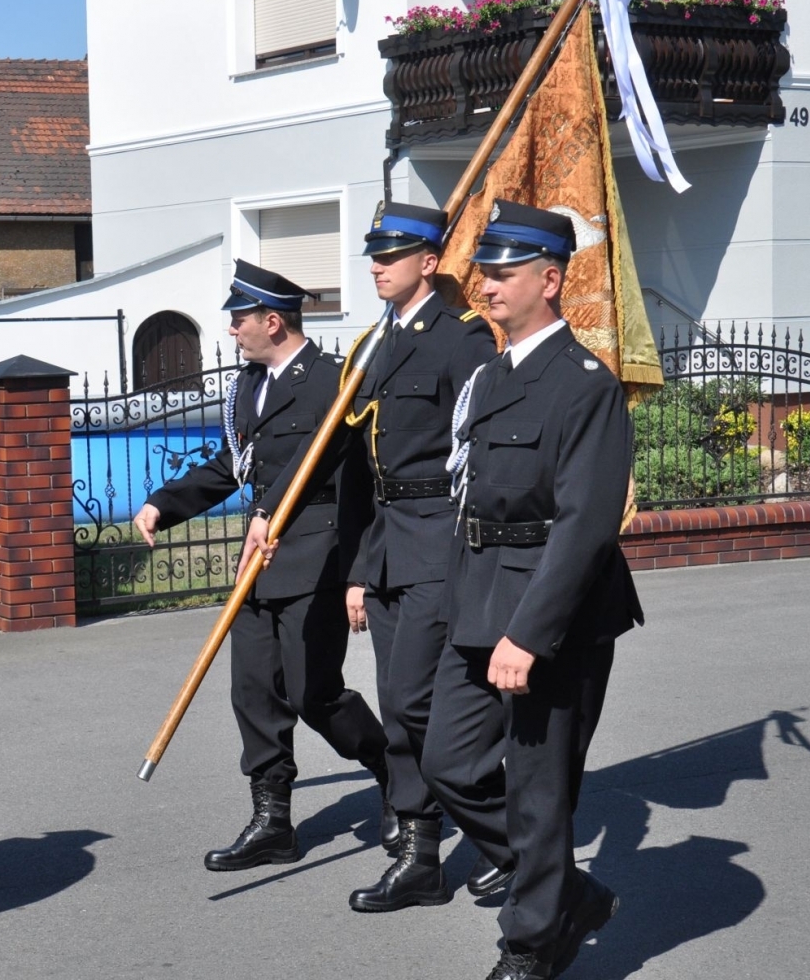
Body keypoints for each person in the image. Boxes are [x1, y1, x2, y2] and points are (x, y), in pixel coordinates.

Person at [252, 200, 501, 913]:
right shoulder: (367, 347)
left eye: (390, 256)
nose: (375, 267)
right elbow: (355, 470)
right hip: (389, 541)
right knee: (398, 701)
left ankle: (499, 827)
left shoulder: (461, 341)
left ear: (429, 261)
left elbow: (481, 454)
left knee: (421, 702)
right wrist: (359, 569)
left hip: (441, 537)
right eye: (373, 256)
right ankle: (422, 851)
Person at [418, 201, 643, 980]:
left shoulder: (584, 385)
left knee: (540, 789)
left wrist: (528, 633)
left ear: (550, 280)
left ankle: (530, 943)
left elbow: (584, 525)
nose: (485, 286)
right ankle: (564, 890)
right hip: (479, 595)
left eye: (503, 273)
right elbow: (466, 502)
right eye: (484, 272)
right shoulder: (487, 377)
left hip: (553, 610)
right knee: (446, 760)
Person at [133, 260, 391, 874]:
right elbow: (235, 464)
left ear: (272, 321)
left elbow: (329, 464)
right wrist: (164, 505)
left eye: (239, 319)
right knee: (253, 692)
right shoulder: (249, 384)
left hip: (315, 554)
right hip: (260, 557)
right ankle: (273, 820)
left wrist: (289, 523)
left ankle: (394, 771)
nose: (231, 330)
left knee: (312, 692)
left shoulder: (334, 381)